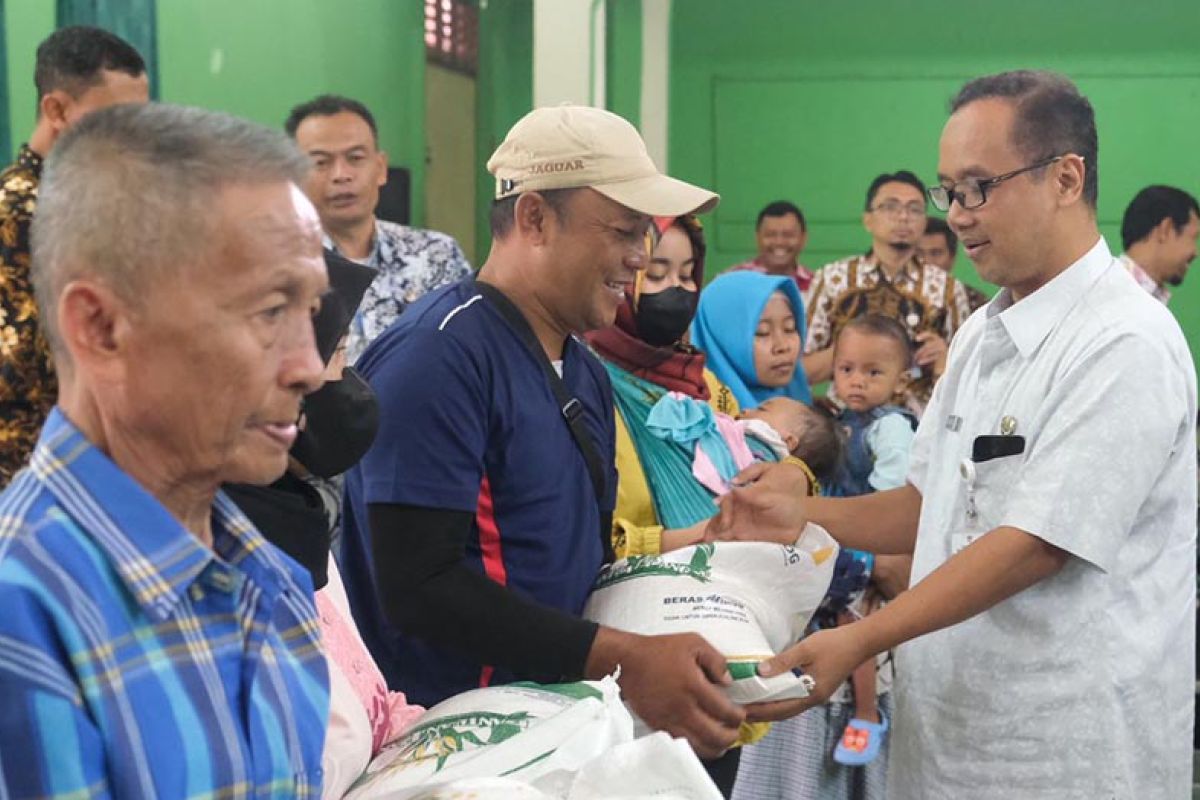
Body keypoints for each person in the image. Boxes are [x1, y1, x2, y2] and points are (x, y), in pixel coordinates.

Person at [710, 70, 1197, 800]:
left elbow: (1034, 544)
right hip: (952, 742)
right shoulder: (982, 334)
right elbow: (923, 498)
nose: (958, 215)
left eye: (978, 187)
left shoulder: (1123, 341)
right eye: (950, 190)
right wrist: (806, 513)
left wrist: (860, 639)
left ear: (1066, 177)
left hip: (1066, 754)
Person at [339, 105, 748, 772]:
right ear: (533, 219)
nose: (639, 257)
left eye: (645, 232)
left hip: (555, 730)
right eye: (622, 230)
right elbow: (417, 587)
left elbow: (573, 558)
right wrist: (623, 656)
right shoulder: (440, 358)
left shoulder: (583, 369)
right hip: (458, 748)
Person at [0, 103, 332, 796]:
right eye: (271, 311)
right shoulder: (24, 626)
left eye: (313, 311)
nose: (308, 365)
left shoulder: (275, 587)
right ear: (102, 328)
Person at [227, 250, 424, 798]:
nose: (340, 381)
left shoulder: (298, 521)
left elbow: (359, 698)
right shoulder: (216, 550)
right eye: (335, 353)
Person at [0, 25, 148, 485]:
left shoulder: (94, 204)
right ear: (57, 110)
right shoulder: (19, 211)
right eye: (114, 122)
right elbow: (17, 373)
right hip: (32, 477)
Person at [286, 94, 472, 362]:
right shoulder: (281, 266)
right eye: (321, 162)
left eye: (355, 157)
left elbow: (468, 348)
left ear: (381, 168)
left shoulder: (436, 254)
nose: (341, 175)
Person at [803, 171, 972, 417]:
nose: (903, 216)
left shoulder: (947, 288)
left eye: (914, 209)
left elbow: (968, 374)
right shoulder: (831, 280)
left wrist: (943, 358)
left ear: (924, 222)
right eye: (890, 207)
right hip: (841, 421)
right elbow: (800, 371)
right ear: (868, 219)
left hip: (918, 423)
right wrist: (854, 351)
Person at [691, 270, 813, 411]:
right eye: (762, 332)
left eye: (789, 328)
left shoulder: (801, 412)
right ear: (723, 342)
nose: (783, 346)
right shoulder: (701, 422)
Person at [1118, 184, 1199, 304]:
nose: (1195, 252)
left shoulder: (1119, 290)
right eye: (1194, 237)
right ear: (1166, 229)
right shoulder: (1112, 293)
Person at [729, 201, 814, 298]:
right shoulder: (734, 282)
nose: (779, 242)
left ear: (803, 238)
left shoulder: (815, 286)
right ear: (757, 237)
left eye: (788, 235)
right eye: (770, 235)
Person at [918, 216, 990, 311]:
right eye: (918, 253)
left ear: (952, 257)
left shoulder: (974, 304)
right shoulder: (895, 298)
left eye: (936, 253)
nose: (926, 261)